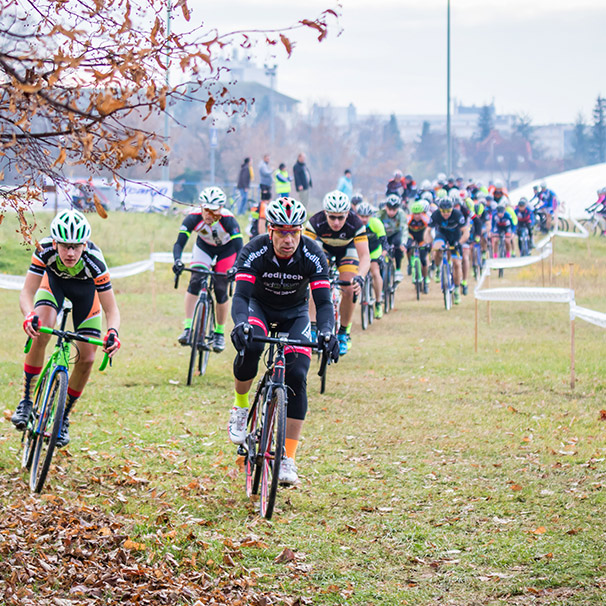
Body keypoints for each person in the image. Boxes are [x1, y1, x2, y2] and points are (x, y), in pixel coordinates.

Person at [228, 197, 339, 485]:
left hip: (295, 314)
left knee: (298, 373)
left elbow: (324, 302)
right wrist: (240, 324)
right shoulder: (254, 250)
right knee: (251, 345)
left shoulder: (313, 254)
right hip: (258, 308)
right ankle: (241, 408)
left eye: (295, 232)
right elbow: (240, 296)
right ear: (270, 230)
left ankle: (288, 457)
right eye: (282, 232)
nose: (289, 239)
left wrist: (328, 330)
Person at [12, 209, 121, 448]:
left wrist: (112, 333)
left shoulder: (95, 262)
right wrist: (29, 315)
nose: (70, 253)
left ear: (84, 244)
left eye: (76, 246)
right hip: (54, 286)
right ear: (55, 242)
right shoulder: (44, 251)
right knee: (42, 328)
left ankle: (62, 418)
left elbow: (112, 310)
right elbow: (27, 292)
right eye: (64, 246)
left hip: (86, 295)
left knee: (88, 357)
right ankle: (27, 401)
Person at [172, 186, 243, 351]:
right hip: (204, 248)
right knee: (195, 281)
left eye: (214, 211)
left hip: (227, 251)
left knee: (220, 287)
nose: (209, 214)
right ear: (201, 207)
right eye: (206, 210)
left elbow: (240, 248)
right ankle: (188, 328)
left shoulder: (229, 220)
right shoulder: (193, 218)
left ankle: (219, 333)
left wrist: (235, 267)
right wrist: (177, 261)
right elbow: (179, 243)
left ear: (221, 209)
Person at [304, 190, 370, 356]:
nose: (336, 222)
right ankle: (312, 328)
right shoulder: (315, 222)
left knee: (349, 288)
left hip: (347, 250)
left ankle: (343, 332)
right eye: (332, 217)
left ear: (348, 214)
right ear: (325, 213)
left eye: (341, 217)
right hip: (322, 249)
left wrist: (360, 276)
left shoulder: (355, 224)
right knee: (316, 283)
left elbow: (365, 256)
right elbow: (305, 251)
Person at [427, 198, 469, 305]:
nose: (446, 214)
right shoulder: (435, 215)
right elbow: (427, 231)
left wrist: (460, 242)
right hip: (441, 235)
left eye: (448, 211)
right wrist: (429, 243)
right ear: (439, 210)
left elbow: (466, 232)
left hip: (455, 237)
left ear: (452, 209)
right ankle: (437, 268)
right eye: (443, 211)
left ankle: (456, 290)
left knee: (457, 264)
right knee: (437, 249)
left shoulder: (457, 214)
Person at [355, 201, 387, 318]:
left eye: (366, 217)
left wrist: (382, 255)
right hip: (360, 251)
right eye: (361, 216)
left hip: (374, 250)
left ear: (371, 216)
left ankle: (378, 302)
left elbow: (384, 242)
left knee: (375, 272)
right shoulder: (354, 224)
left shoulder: (376, 223)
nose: (364, 219)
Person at [377, 194, 407, 282]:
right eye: (389, 209)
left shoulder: (401, 214)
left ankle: (398, 270)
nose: (391, 212)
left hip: (395, 233)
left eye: (394, 210)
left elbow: (404, 229)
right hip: (384, 235)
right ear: (386, 207)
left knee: (398, 244)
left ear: (398, 209)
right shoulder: (381, 214)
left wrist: (403, 243)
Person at [405, 201, 430, 293]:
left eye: (418, 214)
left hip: (422, 237)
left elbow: (430, 231)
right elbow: (403, 229)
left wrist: (428, 242)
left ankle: (426, 280)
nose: (417, 216)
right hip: (411, 236)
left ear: (422, 213)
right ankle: (409, 262)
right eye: (415, 214)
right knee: (408, 247)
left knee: (423, 260)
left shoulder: (426, 219)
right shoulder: (408, 219)